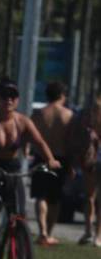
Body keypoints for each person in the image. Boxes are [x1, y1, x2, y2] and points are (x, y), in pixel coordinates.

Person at [0, 79, 61, 259]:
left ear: (17, 100)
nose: (8, 100)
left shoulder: (23, 121)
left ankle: (19, 252)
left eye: (13, 96)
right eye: (4, 96)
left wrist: (50, 159)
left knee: (19, 211)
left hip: (11, 168)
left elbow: (39, 142)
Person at [30, 81, 75, 245]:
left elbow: (30, 135)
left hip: (41, 157)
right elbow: (70, 142)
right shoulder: (68, 115)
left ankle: (42, 231)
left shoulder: (39, 113)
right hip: (60, 159)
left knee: (40, 195)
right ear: (62, 95)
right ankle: (49, 233)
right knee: (55, 199)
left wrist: (28, 150)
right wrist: (71, 165)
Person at [70, 97, 101, 246]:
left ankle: (98, 235)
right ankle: (89, 231)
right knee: (90, 197)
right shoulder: (87, 126)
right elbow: (78, 146)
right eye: (94, 110)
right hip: (91, 164)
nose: (94, 113)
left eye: (97, 110)